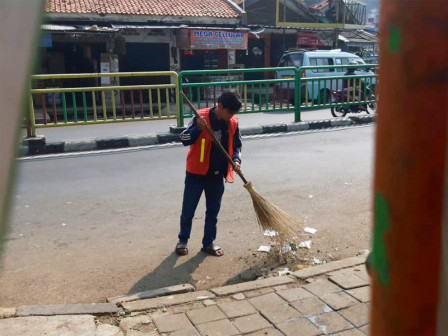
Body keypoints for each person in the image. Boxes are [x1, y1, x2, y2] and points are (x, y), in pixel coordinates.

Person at [176, 91, 243, 257]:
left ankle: (208, 243)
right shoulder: (200, 116)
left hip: (217, 175)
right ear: (220, 106)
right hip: (196, 174)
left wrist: (236, 160)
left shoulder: (232, 122)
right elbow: (184, 139)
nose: (231, 116)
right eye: (229, 112)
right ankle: (183, 240)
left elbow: (237, 146)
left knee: (212, 212)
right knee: (188, 211)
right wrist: (197, 129)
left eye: (234, 113)